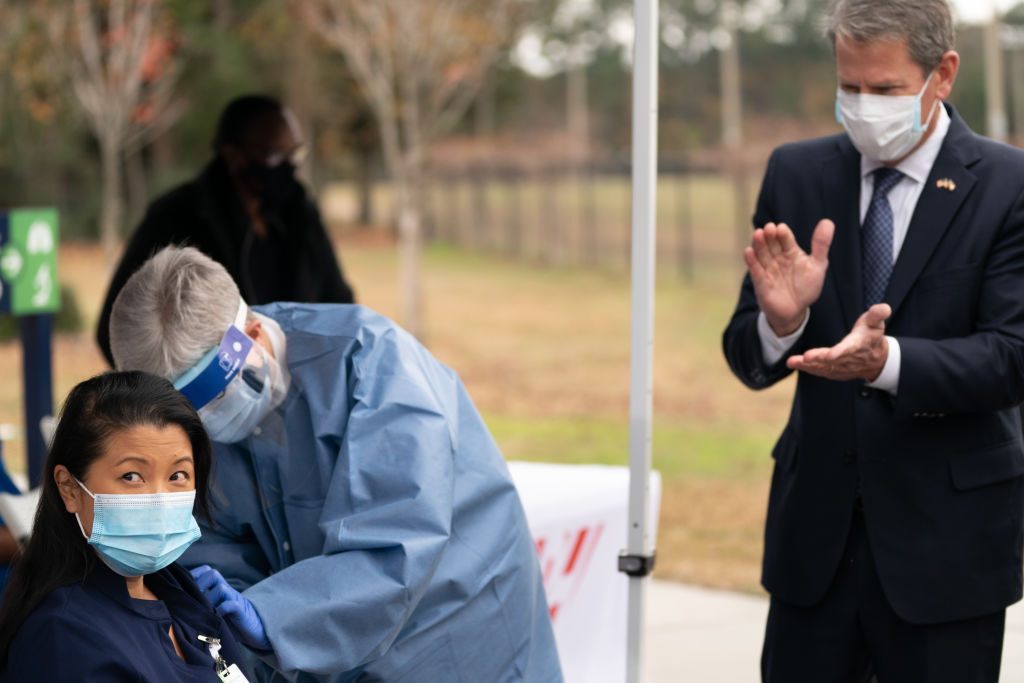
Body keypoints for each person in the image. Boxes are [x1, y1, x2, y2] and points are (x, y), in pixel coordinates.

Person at [722, 1, 1024, 681]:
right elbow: (746, 353)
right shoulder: (795, 174)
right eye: (849, 88)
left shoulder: (1008, 186)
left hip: (946, 550)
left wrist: (888, 362)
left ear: (942, 75)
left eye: (885, 90)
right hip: (813, 548)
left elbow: (1012, 356)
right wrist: (781, 323)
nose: (863, 107)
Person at [108, 245, 563, 682]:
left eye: (218, 394)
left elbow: (393, 549)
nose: (208, 421)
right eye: (189, 414)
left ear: (252, 334)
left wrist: (270, 614)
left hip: (451, 630)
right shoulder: (190, 432)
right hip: (321, 648)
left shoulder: (373, 364)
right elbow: (214, 546)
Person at [0, 371, 252, 682]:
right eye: (131, 476)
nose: (159, 500)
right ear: (69, 489)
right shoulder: (64, 638)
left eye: (177, 476)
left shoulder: (180, 591)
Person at [96, 93, 355, 368]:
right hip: (214, 398)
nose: (288, 167)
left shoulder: (301, 215)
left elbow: (340, 307)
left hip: (301, 388)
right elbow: (118, 328)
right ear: (233, 155)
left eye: (294, 154)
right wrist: (182, 398)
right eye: (274, 155)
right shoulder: (177, 218)